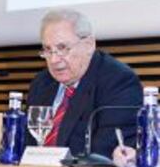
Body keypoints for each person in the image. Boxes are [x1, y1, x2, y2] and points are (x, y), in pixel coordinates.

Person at [26, 9, 143, 158]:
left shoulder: (118, 82)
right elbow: (26, 145)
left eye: (62, 48)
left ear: (88, 45)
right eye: (48, 50)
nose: (54, 60)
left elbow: (104, 152)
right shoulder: (41, 83)